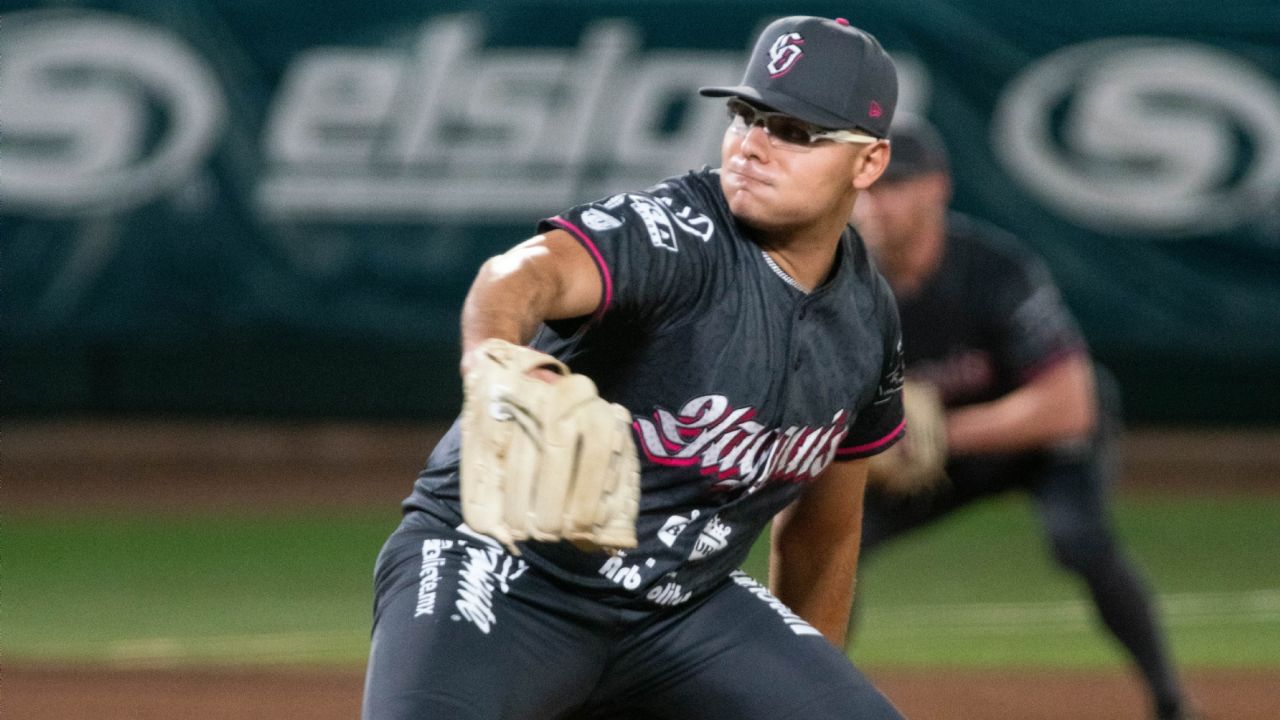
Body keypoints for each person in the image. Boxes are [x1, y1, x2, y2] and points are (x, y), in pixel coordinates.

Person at [362, 16, 910, 720]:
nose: (752, 146)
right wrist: (494, 361)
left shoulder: (868, 318)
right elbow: (520, 276)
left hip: (683, 611)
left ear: (868, 164)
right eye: (747, 115)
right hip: (505, 572)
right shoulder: (676, 233)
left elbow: (824, 533)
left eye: (796, 132)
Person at [849, 116, 1195, 720]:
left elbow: (1071, 404)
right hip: (935, 456)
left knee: (1078, 539)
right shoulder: (842, 285)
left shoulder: (994, 271)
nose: (873, 204)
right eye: (863, 186)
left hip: (1036, 444)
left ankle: (1170, 701)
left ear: (937, 188)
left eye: (892, 185)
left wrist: (938, 434)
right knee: (831, 539)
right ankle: (798, 697)